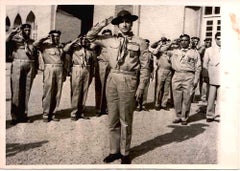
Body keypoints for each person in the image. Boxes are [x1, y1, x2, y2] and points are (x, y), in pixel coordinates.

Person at [86, 10, 150, 164]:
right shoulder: (109, 40)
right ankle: (114, 151)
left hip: (129, 79)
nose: (125, 24)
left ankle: (125, 152)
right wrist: (104, 22)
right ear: (117, 24)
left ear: (132, 23)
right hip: (112, 78)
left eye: (127, 21)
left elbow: (145, 67)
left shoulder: (140, 42)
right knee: (112, 117)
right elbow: (90, 36)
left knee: (126, 118)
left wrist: (141, 87)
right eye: (121, 22)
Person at [6, 24, 38, 125]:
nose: (27, 32)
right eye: (25, 30)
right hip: (18, 64)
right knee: (16, 91)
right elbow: (5, 42)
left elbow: (36, 56)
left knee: (26, 90)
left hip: (30, 66)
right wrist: (12, 33)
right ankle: (15, 116)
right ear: (22, 30)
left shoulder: (32, 42)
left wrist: (35, 69)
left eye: (29, 30)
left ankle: (23, 115)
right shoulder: (14, 40)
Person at [33, 30, 67, 122]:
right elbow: (35, 44)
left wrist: (64, 72)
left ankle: (53, 113)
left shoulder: (60, 47)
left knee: (57, 92)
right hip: (49, 69)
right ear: (51, 37)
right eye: (54, 36)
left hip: (59, 69)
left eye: (58, 36)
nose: (56, 38)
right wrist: (45, 37)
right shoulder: (45, 46)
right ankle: (46, 114)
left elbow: (63, 60)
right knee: (48, 91)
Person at [170, 34, 201, 125]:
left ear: (189, 42)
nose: (184, 42)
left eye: (186, 40)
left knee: (187, 98)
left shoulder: (194, 53)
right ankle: (178, 116)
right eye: (182, 40)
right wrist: (172, 42)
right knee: (177, 98)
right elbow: (161, 50)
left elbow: (198, 67)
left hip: (188, 76)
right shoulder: (174, 51)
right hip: (177, 75)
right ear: (179, 41)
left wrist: (196, 79)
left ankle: (184, 117)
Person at [63, 35, 94, 120]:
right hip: (77, 68)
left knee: (84, 91)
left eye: (85, 39)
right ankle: (74, 112)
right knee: (76, 90)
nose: (83, 40)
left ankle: (81, 112)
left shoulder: (89, 50)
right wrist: (74, 42)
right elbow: (65, 49)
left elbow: (93, 62)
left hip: (87, 69)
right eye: (82, 39)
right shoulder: (74, 49)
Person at [203, 32, 221, 122]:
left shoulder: (230, 49)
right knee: (211, 96)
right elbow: (205, 64)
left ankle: (218, 115)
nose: (220, 40)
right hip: (212, 76)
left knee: (221, 97)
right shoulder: (209, 50)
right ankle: (210, 115)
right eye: (218, 38)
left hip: (223, 77)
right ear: (215, 39)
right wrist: (205, 75)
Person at [94, 29, 112, 116]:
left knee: (110, 88)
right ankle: (98, 109)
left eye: (109, 35)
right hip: (102, 64)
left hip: (111, 66)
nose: (107, 36)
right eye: (105, 35)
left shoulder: (113, 44)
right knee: (100, 87)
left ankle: (107, 108)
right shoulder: (99, 44)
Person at [152, 37, 172, 111]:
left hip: (169, 70)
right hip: (161, 70)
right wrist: (159, 45)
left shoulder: (169, 50)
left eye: (165, 41)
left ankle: (164, 104)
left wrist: (168, 44)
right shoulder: (159, 50)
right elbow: (154, 52)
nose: (164, 42)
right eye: (162, 41)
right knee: (159, 88)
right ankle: (157, 104)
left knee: (166, 88)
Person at [136, 39, 153, 111]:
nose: (146, 45)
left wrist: (152, 73)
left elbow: (151, 64)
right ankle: (137, 104)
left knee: (145, 88)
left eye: (147, 44)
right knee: (139, 88)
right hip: (138, 71)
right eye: (145, 44)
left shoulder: (150, 53)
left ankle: (143, 104)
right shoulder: (138, 52)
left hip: (147, 71)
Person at [198, 38, 212, 103]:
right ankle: (203, 96)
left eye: (209, 42)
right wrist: (203, 48)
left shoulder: (212, 49)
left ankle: (208, 96)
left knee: (209, 82)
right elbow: (199, 54)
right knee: (202, 82)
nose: (207, 43)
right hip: (203, 67)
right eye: (206, 42)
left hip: (209, 67)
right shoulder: (202, 48)